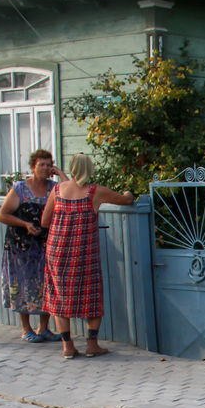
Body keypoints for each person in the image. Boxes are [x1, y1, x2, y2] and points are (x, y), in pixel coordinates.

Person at [40, 153, 135, 359]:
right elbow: (125, 200)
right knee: (91, 296)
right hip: (84, 252)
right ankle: (92, 344)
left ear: (72, 168)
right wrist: (129, 192)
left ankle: (68, 346)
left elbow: (45, 221)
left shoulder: (57, 190)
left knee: (59, 297)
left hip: (57, 251)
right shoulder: (96, 192)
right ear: (90, 169)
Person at [0, 149, 63, 343]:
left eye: (48, 164)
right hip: (21, 246)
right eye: (41, 164)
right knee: (23, 284)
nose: (44, 168)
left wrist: (59, 173)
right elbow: (3, 215)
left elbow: (69, 190)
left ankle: (44, 328)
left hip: (45, 244)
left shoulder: (54, 187)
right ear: (33, 167)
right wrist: (25, 224)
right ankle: (26, 329)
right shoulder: (20, 188)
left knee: (47, 284)